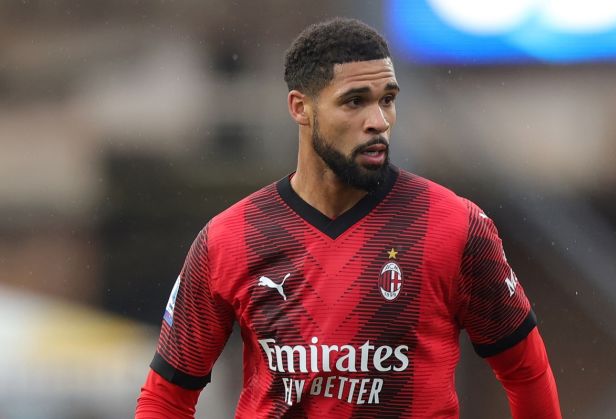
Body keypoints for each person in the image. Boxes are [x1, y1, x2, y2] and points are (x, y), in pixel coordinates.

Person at [135, 17, 561, 418]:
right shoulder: (229, 238)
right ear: (300, 108)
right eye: (354, 102)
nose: (378, 122)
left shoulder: (454, 225)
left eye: (388, 100)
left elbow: (525, 372)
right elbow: (166, 397)